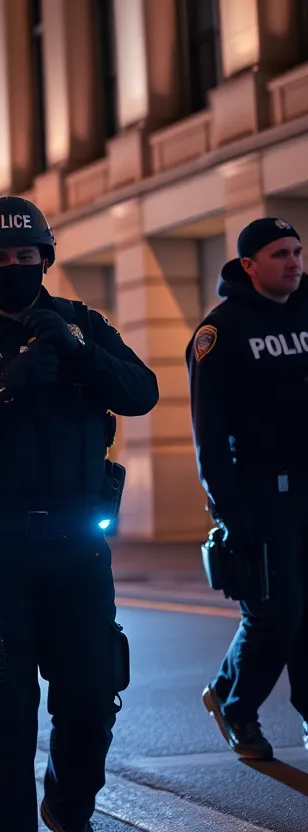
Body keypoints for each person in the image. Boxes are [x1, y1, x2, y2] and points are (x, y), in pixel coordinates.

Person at [0, 195, 159, 832]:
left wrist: (82, 354)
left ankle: (68, 808)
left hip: (78, 548)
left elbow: (142, 393)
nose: (15, 266)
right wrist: (5, 385)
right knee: (8, 716)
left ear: (46, 258)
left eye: (27, 255)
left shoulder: (79, 322)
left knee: (89, 701)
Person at [188, 217, 308, 758]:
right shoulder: (222, 332)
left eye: (298, 252)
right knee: (275, 613)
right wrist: (230, 510)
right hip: (262, 494)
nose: (293, 263)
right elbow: (209, 435)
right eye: (280, 254)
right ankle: (236, 705)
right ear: (249, 265)